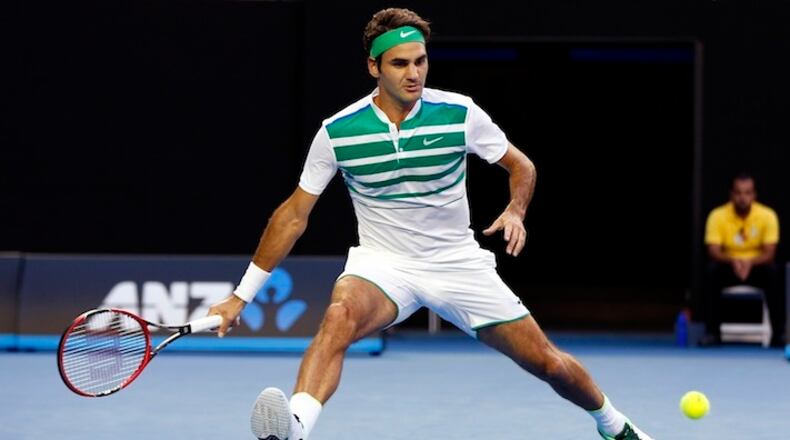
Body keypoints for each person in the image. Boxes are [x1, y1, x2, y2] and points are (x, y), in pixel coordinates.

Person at [208, 8, 655, 440]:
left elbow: (523, 166)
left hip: (456, 262)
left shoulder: (459, 113)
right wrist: (240, 296)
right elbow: (292, 216)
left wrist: (516, 209)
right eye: (399, 63)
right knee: (339, 315)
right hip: (383, 265)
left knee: (548, 363)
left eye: (420, 61)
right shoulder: (338, 132)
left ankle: (615, 425)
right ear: (373, 67)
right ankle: (297, 426)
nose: (413, 73)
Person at [702, 172, 782, 347]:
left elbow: (770, 253)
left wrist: (750, 263)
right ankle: (712, 333)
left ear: (754, 195)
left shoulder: (768, 215)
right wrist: (733, 261)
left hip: (756, 267)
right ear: (731, 195)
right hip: (729, 266)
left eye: (747, 193)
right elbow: (713, 250)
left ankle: (779, 335)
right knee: (711, 271)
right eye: (738, 193)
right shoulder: (717, 215)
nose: (742, 198)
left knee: (774, 272)